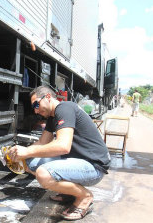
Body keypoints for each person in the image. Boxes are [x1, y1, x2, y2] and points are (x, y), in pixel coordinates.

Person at [7, 86, 111, 220]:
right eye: (34, 107)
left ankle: (85, 196)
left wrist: (27, 151)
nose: (35, 110)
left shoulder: (64, 108)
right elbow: (43, 143)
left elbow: (63, 146)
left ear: (48, 97)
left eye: (36, 104)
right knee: (31, 162)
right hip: (80, 160)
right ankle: (70, 193)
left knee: (43, 174)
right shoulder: (52, 117)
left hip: (94, 166)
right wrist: (19, 152)